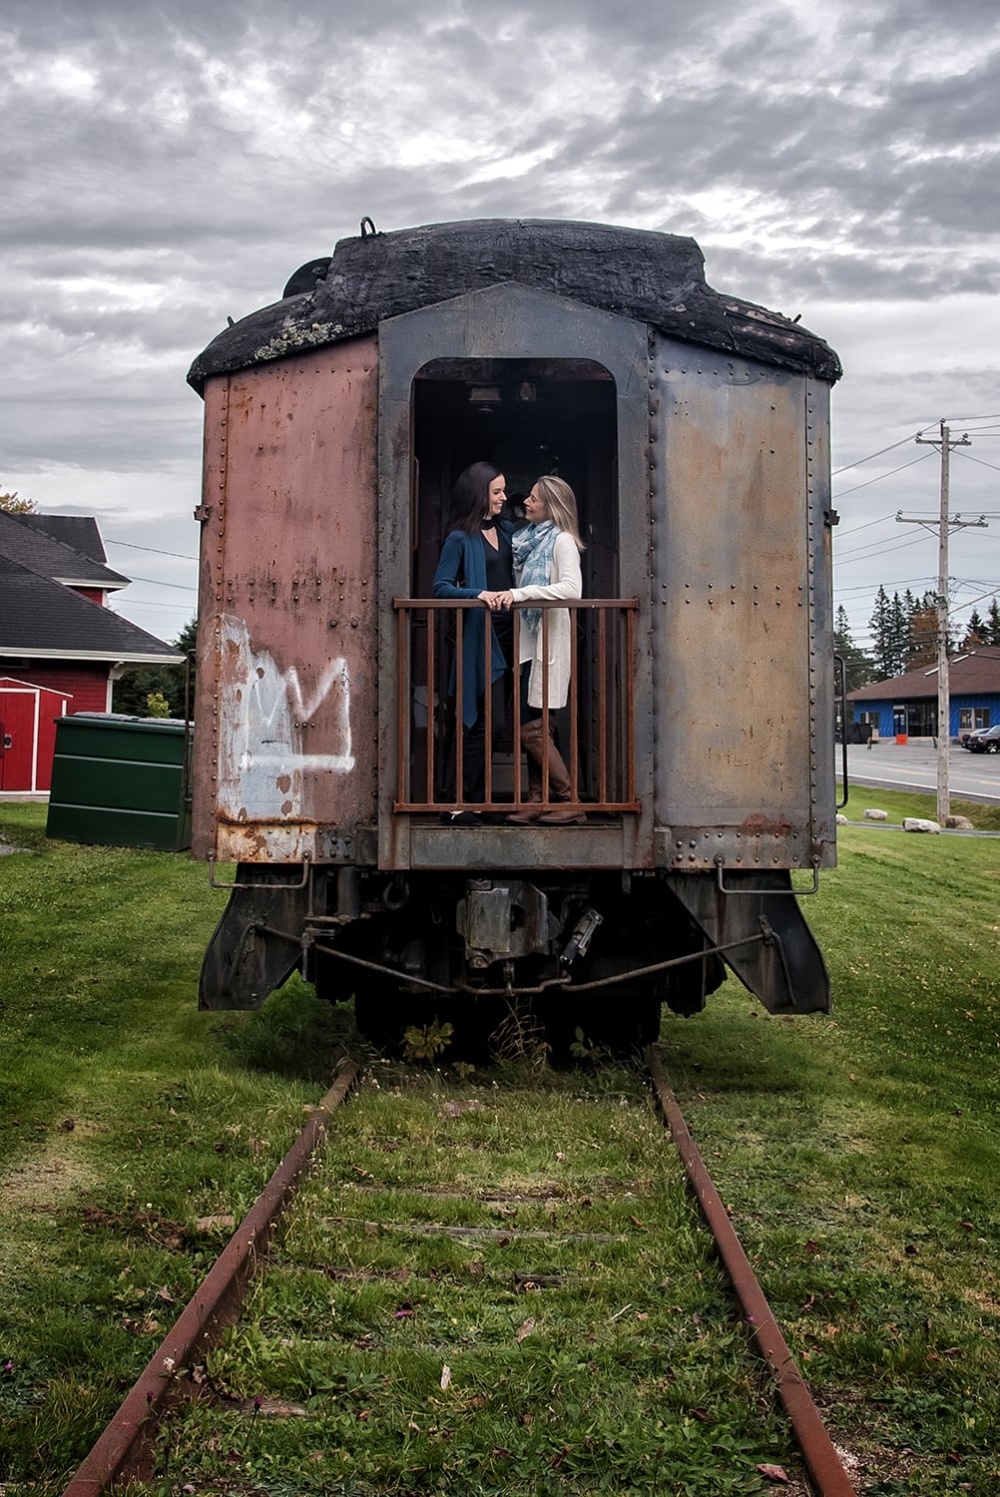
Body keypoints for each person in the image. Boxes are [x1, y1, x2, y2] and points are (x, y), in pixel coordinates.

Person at [496, 475, 585, 824]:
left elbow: (571, 589)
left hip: (547, 644)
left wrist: (519, 594)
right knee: (534, 726)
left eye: (534, 499)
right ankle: (537, 799)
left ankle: (567, 799)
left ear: (551, 508)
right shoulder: (530, 542)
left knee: (531, 729)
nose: (526, 503)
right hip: (529, 646)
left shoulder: (561, 541)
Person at [432, 462, 514, 822]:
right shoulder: (459, 539)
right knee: (481, 721)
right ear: (480, 493)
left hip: (510, 636)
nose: (503, 497)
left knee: (494, 723)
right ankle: (455, 803)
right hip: (480, 637)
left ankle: (477, 801)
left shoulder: (507, 532)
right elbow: (440, 588)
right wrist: (478, 593)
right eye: (497, 491)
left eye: (503, 491)